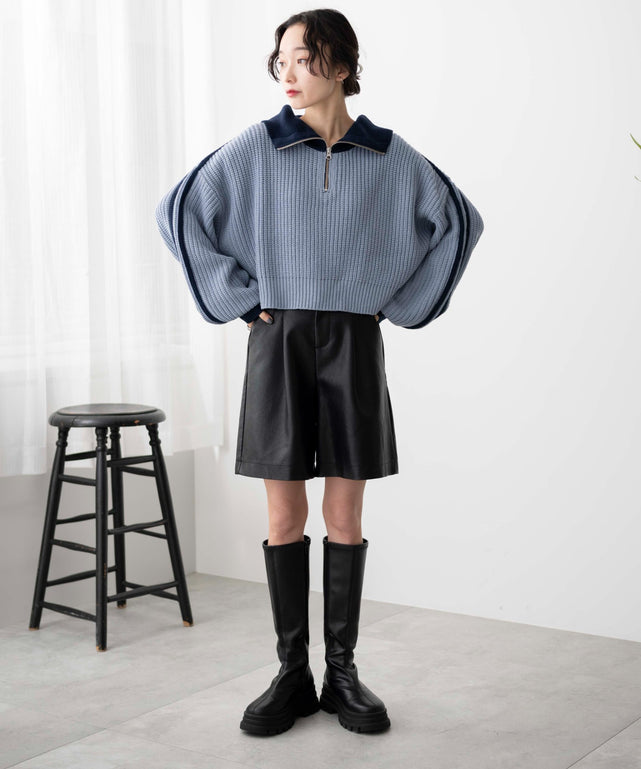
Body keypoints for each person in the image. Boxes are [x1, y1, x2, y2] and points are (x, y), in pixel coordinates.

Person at [155, 8, 484, 737]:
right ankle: (290, 673)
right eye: (281, 61)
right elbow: (177, 211)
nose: (289, 73)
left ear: (340, 64)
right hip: (277, 342)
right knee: (283, 516)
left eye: (303, 58)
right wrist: (240, 299)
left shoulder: (388, 155)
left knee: (345, 516)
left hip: (353, 344)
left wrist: (399, 303)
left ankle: (342, 672)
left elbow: (460, 221)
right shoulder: (258, 145)